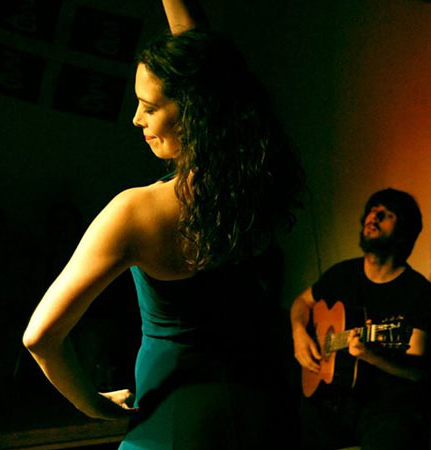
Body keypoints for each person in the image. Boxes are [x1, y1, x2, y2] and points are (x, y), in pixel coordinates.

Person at [23, 1, 304, 449]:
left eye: (147, 106)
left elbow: (40, 337)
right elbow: (210, 66)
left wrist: (91, 405)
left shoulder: (136, 213)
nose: (136, 119)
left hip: (173, 424)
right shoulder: (260, 181)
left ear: (194, 111)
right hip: (266, 412)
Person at [290, 188, 431, 450]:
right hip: (336, 400)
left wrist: (370, 355)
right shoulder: (343, 274)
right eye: (372, 209)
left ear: (403, 234)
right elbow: (302, 302)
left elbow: (416, 372)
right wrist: (299, 333)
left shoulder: (418, 292)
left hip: (387, 407)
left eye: (387, 214)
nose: (373, 216)